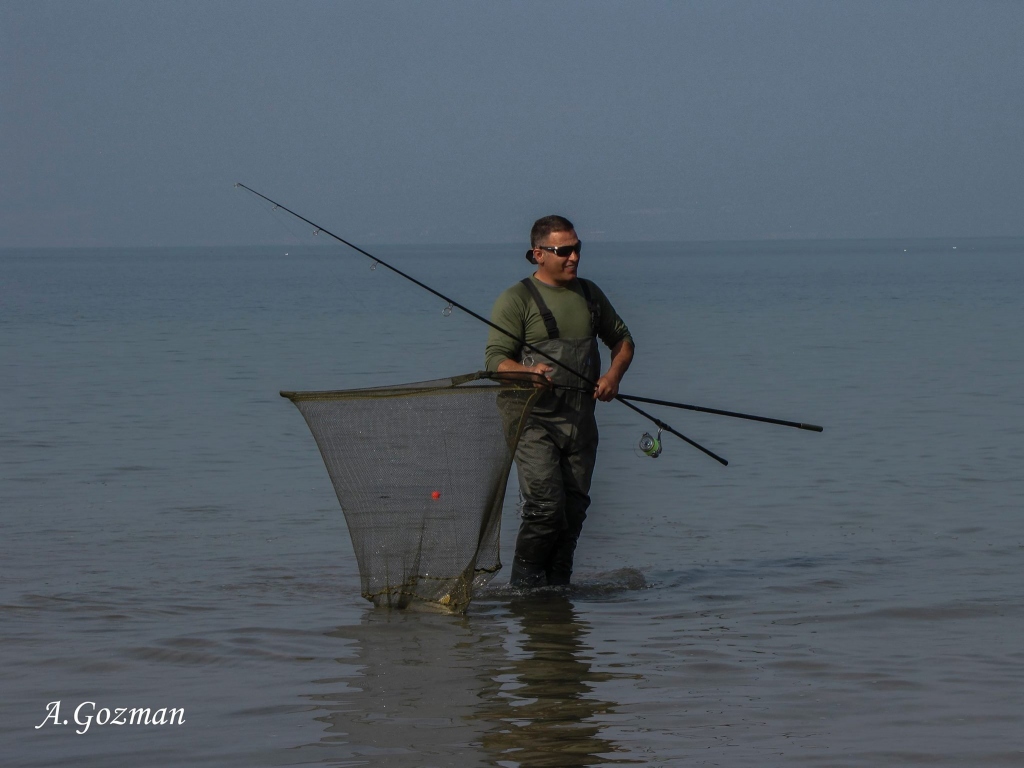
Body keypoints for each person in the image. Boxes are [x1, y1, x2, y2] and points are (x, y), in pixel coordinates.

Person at [485, 216, 634, 587]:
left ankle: (557, 593)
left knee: (574, 511)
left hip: (580, 419)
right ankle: (524, 589)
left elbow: (623, 341)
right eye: (563, 251)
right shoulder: (516, 299)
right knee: (546, 509)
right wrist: (527, 373)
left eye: (577, 248)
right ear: (538, 254)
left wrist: (613, 376)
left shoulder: (589, 294)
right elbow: (494, 362)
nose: (574, 258)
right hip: (532, 419)